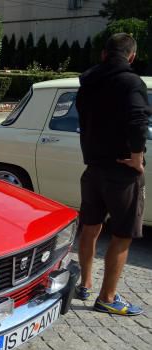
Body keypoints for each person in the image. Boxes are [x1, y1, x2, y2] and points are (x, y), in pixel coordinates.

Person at [75, 33, 150, 316]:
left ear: (104, 55)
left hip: (93, 169)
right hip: (121, 172)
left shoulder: (88, 83)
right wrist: (137, 157)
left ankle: (85, 283)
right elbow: (138, 120)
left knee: (90, 227)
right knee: (122, 234)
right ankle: (107, 297)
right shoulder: (131, 82)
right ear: (131, 56)